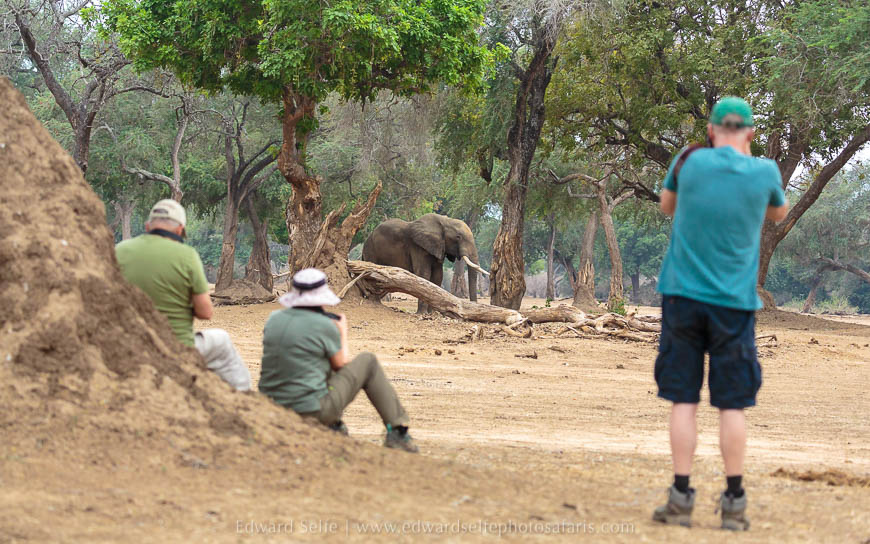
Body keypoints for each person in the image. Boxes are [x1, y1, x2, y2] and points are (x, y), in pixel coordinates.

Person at [652, 97, 788, 531]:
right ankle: (733, 501)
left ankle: (679, 498)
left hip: (682, 297)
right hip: (734, 304)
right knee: (732, 405)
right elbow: (778, 212)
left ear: (711, 131)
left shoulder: (688, 161)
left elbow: (666, 206)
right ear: (749, 132)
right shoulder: (765, 172)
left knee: (683, 400)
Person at [258, 268, 418, 453]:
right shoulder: (324, 325)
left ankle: (335, 426)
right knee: (368, 361)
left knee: (312, 361)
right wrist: (341, 331)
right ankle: (397, 431)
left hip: (270, 407)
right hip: (312, 411)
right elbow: (340, 363)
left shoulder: (273, 319)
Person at [115, 199, 251, 391]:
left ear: (147, 226)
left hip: (128, 343)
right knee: (221, 340)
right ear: (180, 230)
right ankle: (243, 397)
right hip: (177, 346)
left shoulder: (120, 250)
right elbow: (205, 312)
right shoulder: (187, 255)